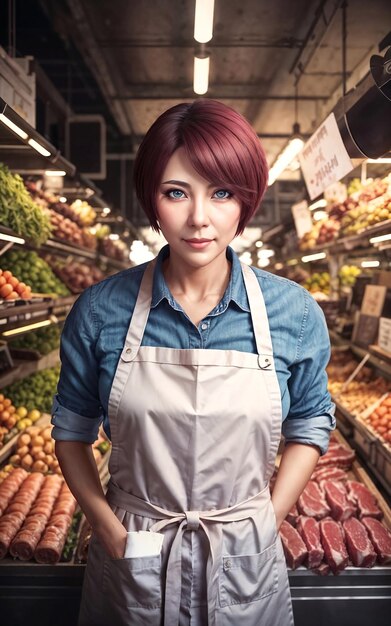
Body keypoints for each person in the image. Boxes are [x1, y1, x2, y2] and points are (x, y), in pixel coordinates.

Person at [52, 99, 335, 626]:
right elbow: (70, 429)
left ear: (246, 200)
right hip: (133, 553)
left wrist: (267, 519)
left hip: (243, 554)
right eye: (176, 192)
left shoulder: (293, 313)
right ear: (152, 201)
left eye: (222, 193)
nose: (199, 218)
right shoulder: (100, 311)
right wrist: (109, 529)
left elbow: (311, 421)